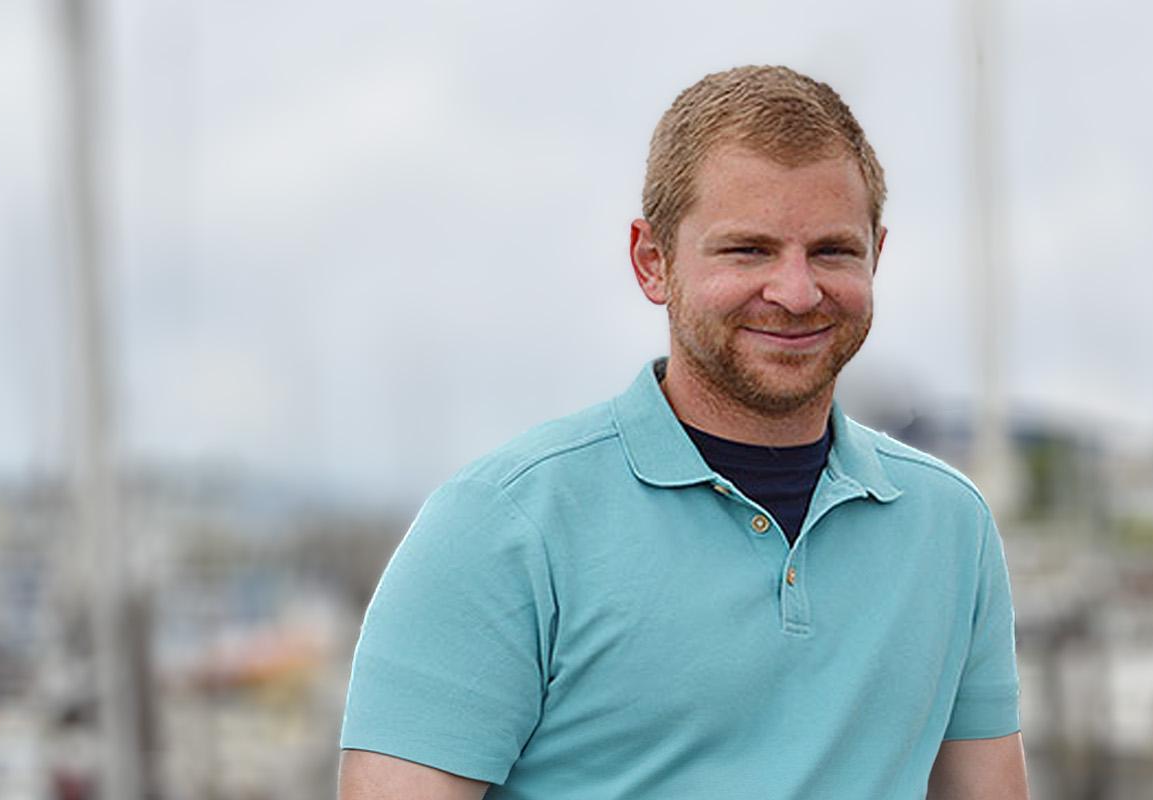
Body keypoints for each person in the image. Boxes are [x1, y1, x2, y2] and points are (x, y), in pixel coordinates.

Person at [337, 64, 1028, 799]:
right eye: (748, 250)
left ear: (876, 256)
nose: (797, 292)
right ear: (652, 261)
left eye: (832, 250)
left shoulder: (951, 525)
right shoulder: (500, 525)